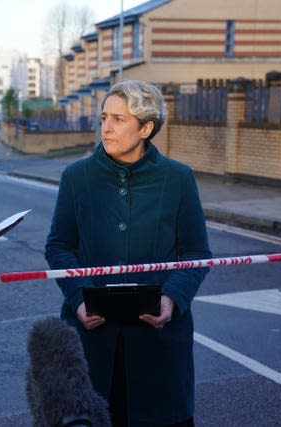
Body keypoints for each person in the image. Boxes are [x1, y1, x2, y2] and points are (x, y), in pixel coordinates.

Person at [45, 80, 211, 427]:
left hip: (158, 347)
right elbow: (59, 246)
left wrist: (171, 299)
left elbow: (195, 253)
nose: (106, 126)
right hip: (90, 342)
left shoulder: (178, 179)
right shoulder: (76, 177)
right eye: (104, 117)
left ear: (146, 128)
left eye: (119, 119)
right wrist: (78, 299)